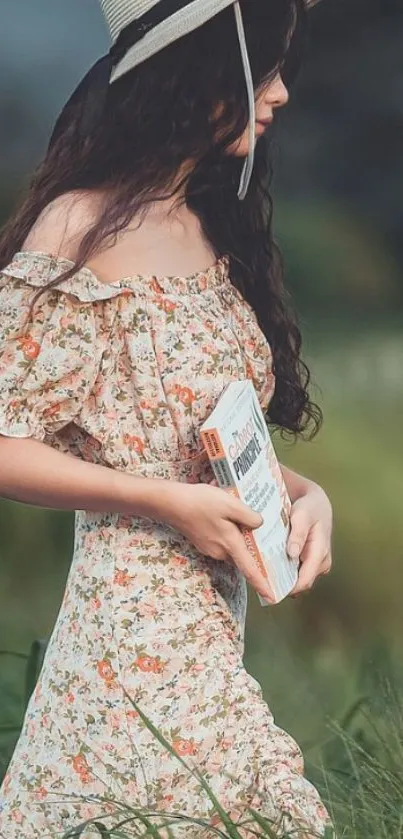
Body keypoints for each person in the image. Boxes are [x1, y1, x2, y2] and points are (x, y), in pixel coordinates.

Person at [0, 0, 334, 835]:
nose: (281, 92)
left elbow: (204, 437)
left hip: (210, 623)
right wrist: (165, 503)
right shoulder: (79, 226)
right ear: (195, 76)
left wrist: (304, 491)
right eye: (263, 67)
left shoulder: (204, 221)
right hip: (132, 621)